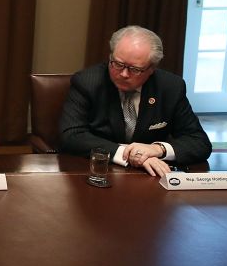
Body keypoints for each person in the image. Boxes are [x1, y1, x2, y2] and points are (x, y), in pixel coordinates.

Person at [59, 25, 212, 176]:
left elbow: (199, 142)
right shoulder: (87, 82)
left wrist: (158, 149)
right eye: (118, 64)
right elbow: (72, 136)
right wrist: (131, 155)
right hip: (98, 171)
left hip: (150, 178)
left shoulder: (170, 87)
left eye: (135, 69)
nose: (124, 74)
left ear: (152, 69)